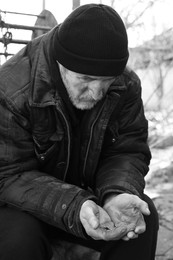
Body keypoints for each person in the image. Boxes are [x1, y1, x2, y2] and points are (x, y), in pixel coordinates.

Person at [0, 3, 158, 260]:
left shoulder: (126, 84)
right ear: (60, 63)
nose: (96, 93)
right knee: (16, 237)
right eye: (85, 80)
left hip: (89, 201)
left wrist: (117, 193)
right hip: (23, 206)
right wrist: (74, 205)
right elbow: (6, 175)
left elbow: (128, 150)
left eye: (106, 82)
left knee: (140, 218)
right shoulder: (9, 88)